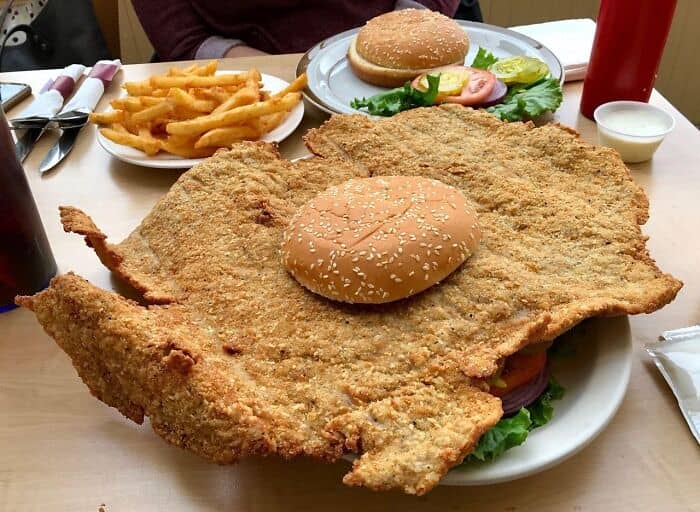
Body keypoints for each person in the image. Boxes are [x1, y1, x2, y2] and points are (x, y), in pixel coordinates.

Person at [131, 0, 472, 61]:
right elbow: (180, 35)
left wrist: (404, 36)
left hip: (398, 48)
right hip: (240, 75)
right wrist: (288, 79)